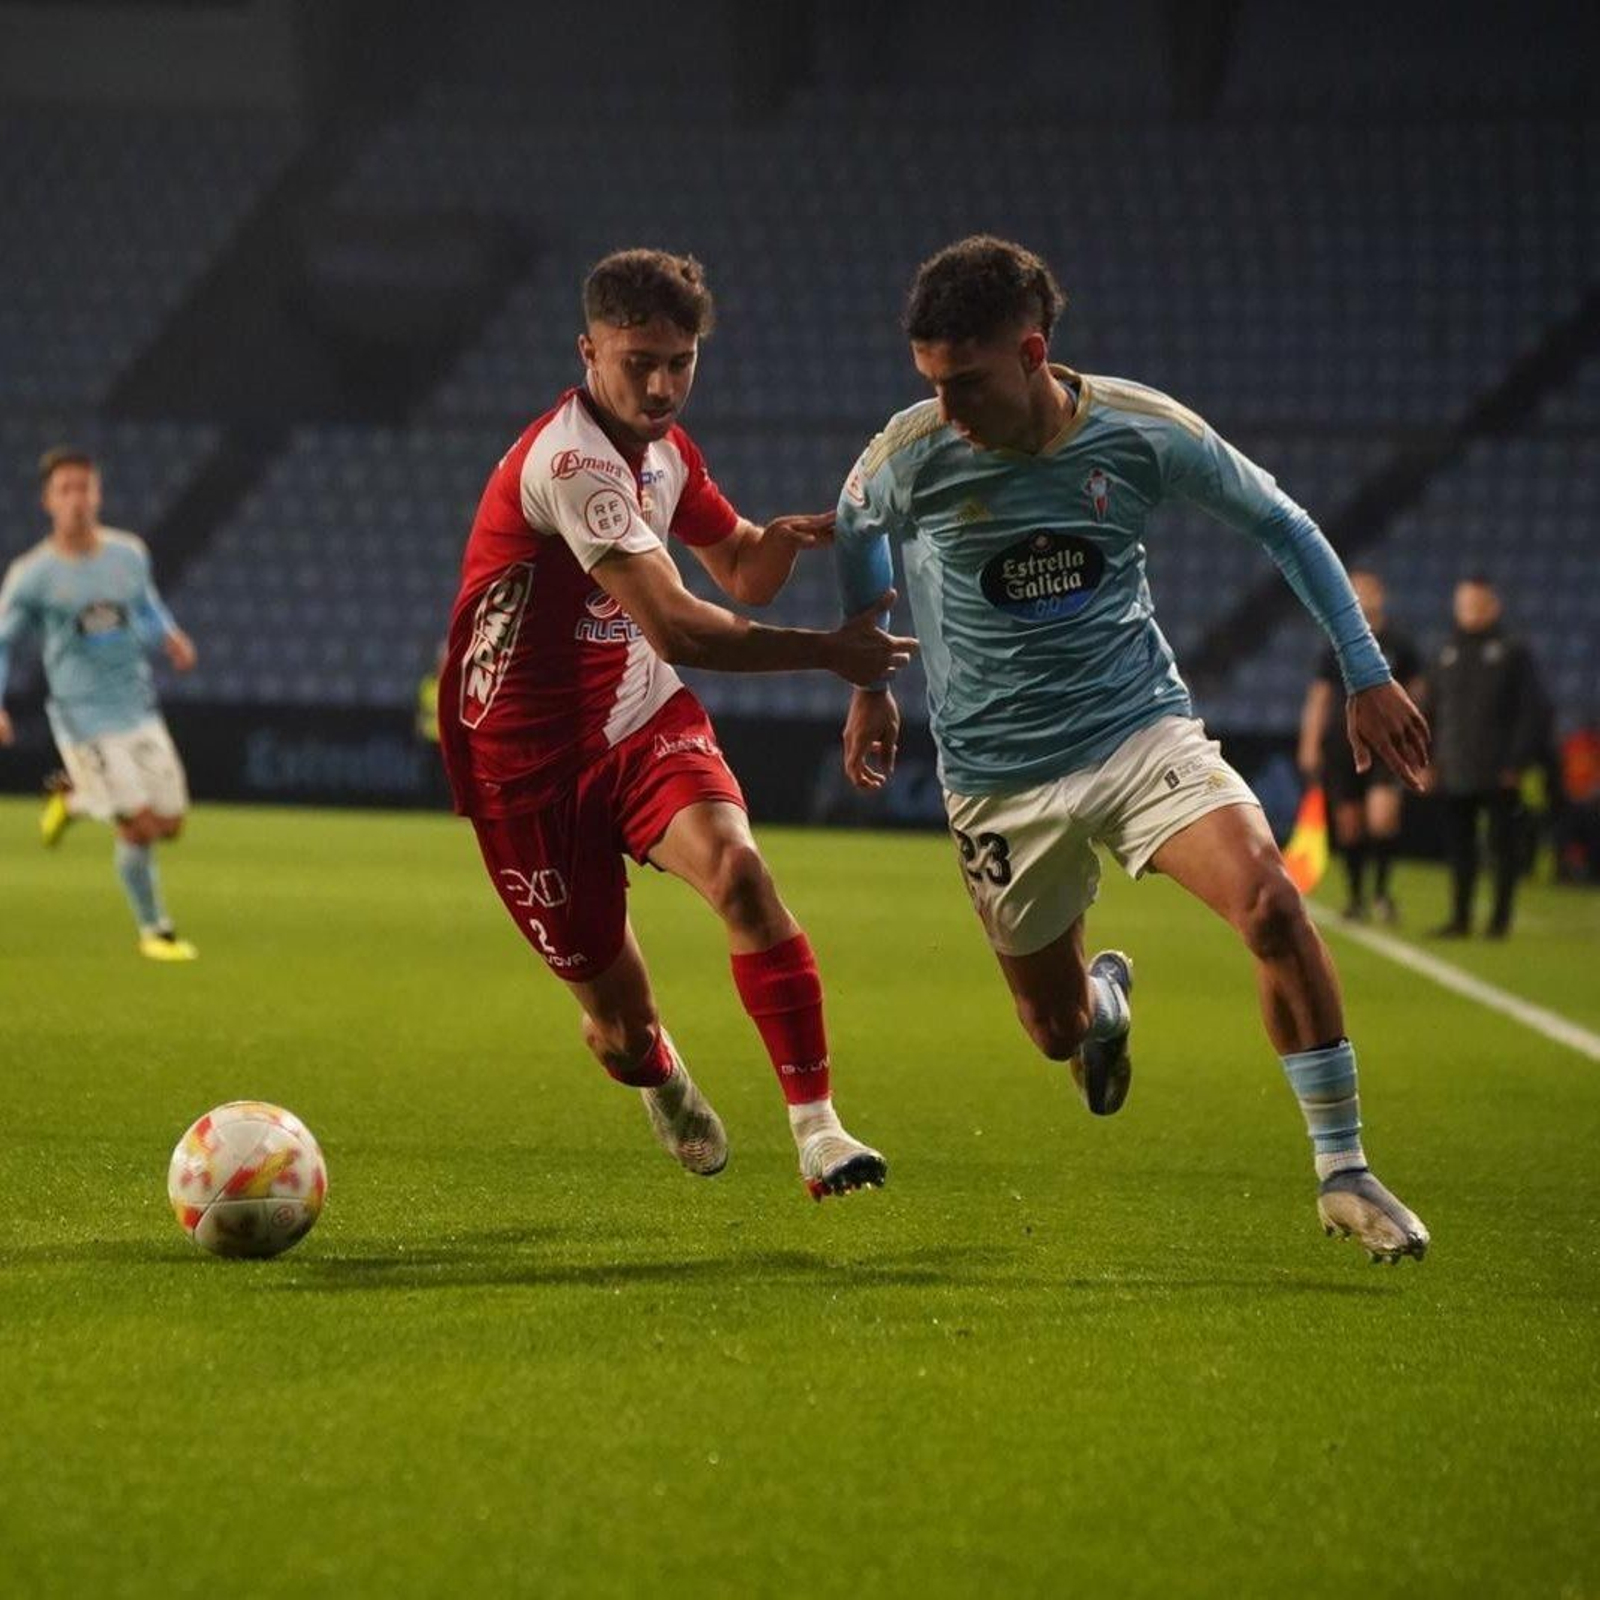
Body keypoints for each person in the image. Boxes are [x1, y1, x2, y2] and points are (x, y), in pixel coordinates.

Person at [834, 236, 1431, 1262]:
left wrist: (1365, 669)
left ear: (1031, 351)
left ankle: (1342, 1169)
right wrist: (869, 684)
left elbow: (1281, 523)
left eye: (965, 382)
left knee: (1273, 905)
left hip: (1135, 730)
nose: (948, 409)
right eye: (931, 384)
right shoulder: (909, 455)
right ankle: (1104, 1004)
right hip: (994, 777)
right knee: (1054, 1030)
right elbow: (854, 532)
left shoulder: (1136, 431)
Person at [438, 249, 916, 1200]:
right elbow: (679, 622)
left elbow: (734, 567)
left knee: (740, 871)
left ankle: (819, 1133)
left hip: (636, 712)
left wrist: (769, 542)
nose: (662, 387)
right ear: (588, 353)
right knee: (617, 1024)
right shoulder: (572, 461)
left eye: (681, 362)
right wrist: (830, 652)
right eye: (639, 362)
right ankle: (651, 1064)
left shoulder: (665, 451)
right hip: (523, 763)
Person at [0, 446, 200, 960]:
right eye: (65, 490)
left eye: (84, 488)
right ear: (48, 501)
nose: (76, 500)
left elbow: (146, 606)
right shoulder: (32, 575)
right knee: (136, 823)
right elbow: (3, 643)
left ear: (98, 494)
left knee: (170, 823)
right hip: (81, 715)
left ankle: (71, 799)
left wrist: (170, 637)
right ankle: (155, 930)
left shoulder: (128, 554)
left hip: (136, 705)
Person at [1296, 570, 1423, 922]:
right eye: (1356, 591)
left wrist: (1412, 733)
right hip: (1342, 743)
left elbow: (1417, 692)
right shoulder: (1335, 643)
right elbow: (1319, 697)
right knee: (1349, 823)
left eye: (1369, 590)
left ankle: (1382, 893)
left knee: (1382, 817)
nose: (1363, 597)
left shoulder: (1400, 643)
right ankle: (1356, 898)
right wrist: (1309, 742)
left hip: (1387, 742)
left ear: (1381, 595)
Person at [1428, 575, 1549, 938]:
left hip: (1499, 768)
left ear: (1493, 606)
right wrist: (1431, 758)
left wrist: (1516, 762)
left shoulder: (1513, 651)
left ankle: (1500, 920)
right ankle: (1460, 917)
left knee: (1502, 846)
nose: (1470, 611)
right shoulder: (1446, 651)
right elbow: (1432, 710)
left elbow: (1532, 710)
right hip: (1456, 766)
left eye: (1477, 603)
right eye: (1464, 603)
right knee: (1460, 847)